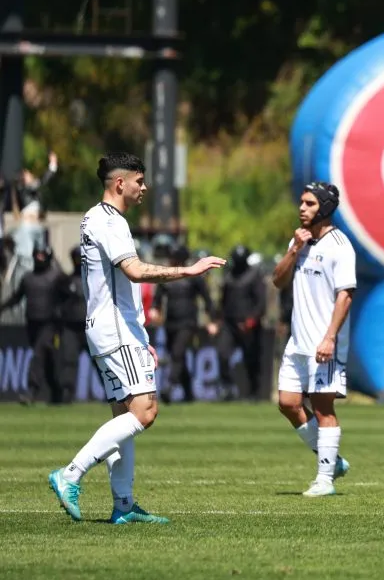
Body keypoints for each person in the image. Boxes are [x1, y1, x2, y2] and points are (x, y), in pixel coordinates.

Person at [47, 152, 224, 524]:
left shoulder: (97, 219)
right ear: (119, 184)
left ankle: (123, 506)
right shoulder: (108, 221)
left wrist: (140, 334)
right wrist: (189, 270)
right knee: (145, 412)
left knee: (124, 415)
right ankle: (70, 474)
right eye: (139, 182)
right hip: (115, 330)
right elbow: (136, 271)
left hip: (114, 328)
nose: (144, 188)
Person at [271, 181, 356, 497]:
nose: (302, 208)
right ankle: (331, 463)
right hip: (298, 343)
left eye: (309, 203)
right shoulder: (300, 241)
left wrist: (330, 338)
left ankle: (325, 480)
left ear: (325, 208)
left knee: (323, 409)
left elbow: (345, 296)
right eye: (301, 202)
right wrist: (294, 250)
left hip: (324, 344)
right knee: (288, 403)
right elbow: (278, 280)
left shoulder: (340, 246)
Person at [148, 244, 217, 403]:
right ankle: (188, 393)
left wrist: (212, 321)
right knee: (177, 356)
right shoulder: (167, 277)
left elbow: (207, 300)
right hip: (171, 322)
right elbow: (158, 298)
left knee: (178, 353)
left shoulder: (194, 277)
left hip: (188, 323)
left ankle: (170, 387)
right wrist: (154, 309)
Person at [0, 244, 65, 404]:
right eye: (37, 255)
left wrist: (62, 315)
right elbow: (17, 297)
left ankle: (31, 391)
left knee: (38, 356)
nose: (39, 259)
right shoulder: (28, 278)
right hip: (32, 325)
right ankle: (57, 392)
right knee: (46, 359)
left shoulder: (57, 277)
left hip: (50, 325)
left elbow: (68, 297)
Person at [213, 244, 266, 399]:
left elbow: (261, 301)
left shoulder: (254, 275)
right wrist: (218, 319)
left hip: (248, 324)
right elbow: (223, 300)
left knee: (251, 358)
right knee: (222, 353)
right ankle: (227, 388)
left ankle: (254, 392)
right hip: (229, 323)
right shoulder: (229, 275)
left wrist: (252, 319)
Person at [57, 246, 89, 403]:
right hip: (70, 328)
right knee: (69, 362)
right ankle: (67, 394)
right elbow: (57, 303)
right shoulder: (65, 281)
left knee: (102, 362)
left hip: (91, 328)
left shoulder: (95, 281)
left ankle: (112, 395)